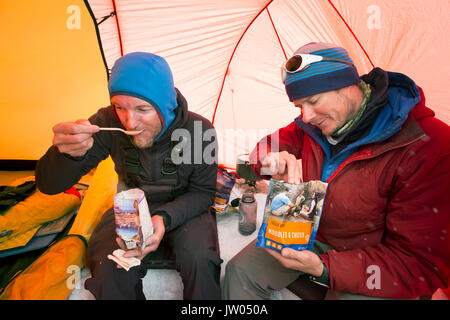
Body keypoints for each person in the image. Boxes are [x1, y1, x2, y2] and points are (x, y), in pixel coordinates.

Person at [223, 42, 450, 299]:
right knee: (240, 272)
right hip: (308, 232)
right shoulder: (312, 128)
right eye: (299, 106)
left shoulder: (428, 145)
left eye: (313, 101)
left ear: (346, 84)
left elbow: (420, 262)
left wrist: (326, 269)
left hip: (374, 260)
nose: (306, 116)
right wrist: (268, 161)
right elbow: (264, 147)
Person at [36, 52, 222, 300]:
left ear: (165, 106)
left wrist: (163, 219)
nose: (129, 121)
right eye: (120, 106)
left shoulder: (200, 131)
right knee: (109, 269)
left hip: (184, 206)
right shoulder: (106, 123)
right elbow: (49, 185)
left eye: (142, 109)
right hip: (129, 208)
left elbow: (203, 194)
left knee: (201, 259)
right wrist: (66, 155)